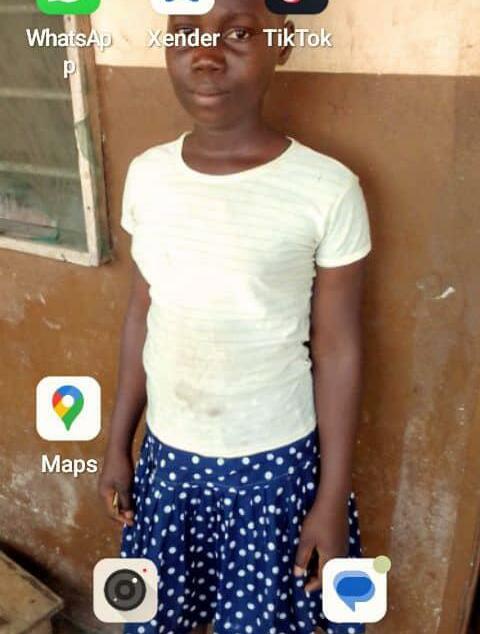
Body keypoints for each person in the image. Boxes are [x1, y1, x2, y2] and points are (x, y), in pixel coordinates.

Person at [99, 1, 372, 632]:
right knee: (163, 616)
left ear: (283, 42)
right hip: (169, 460)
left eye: (239, 32)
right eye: (185, 33)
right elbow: (143, 311)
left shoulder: (327, 190)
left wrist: (331, 498)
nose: (206, 55)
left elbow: (337, 349)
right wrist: (118, 444)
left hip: (274, 470)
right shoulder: (148, 176)